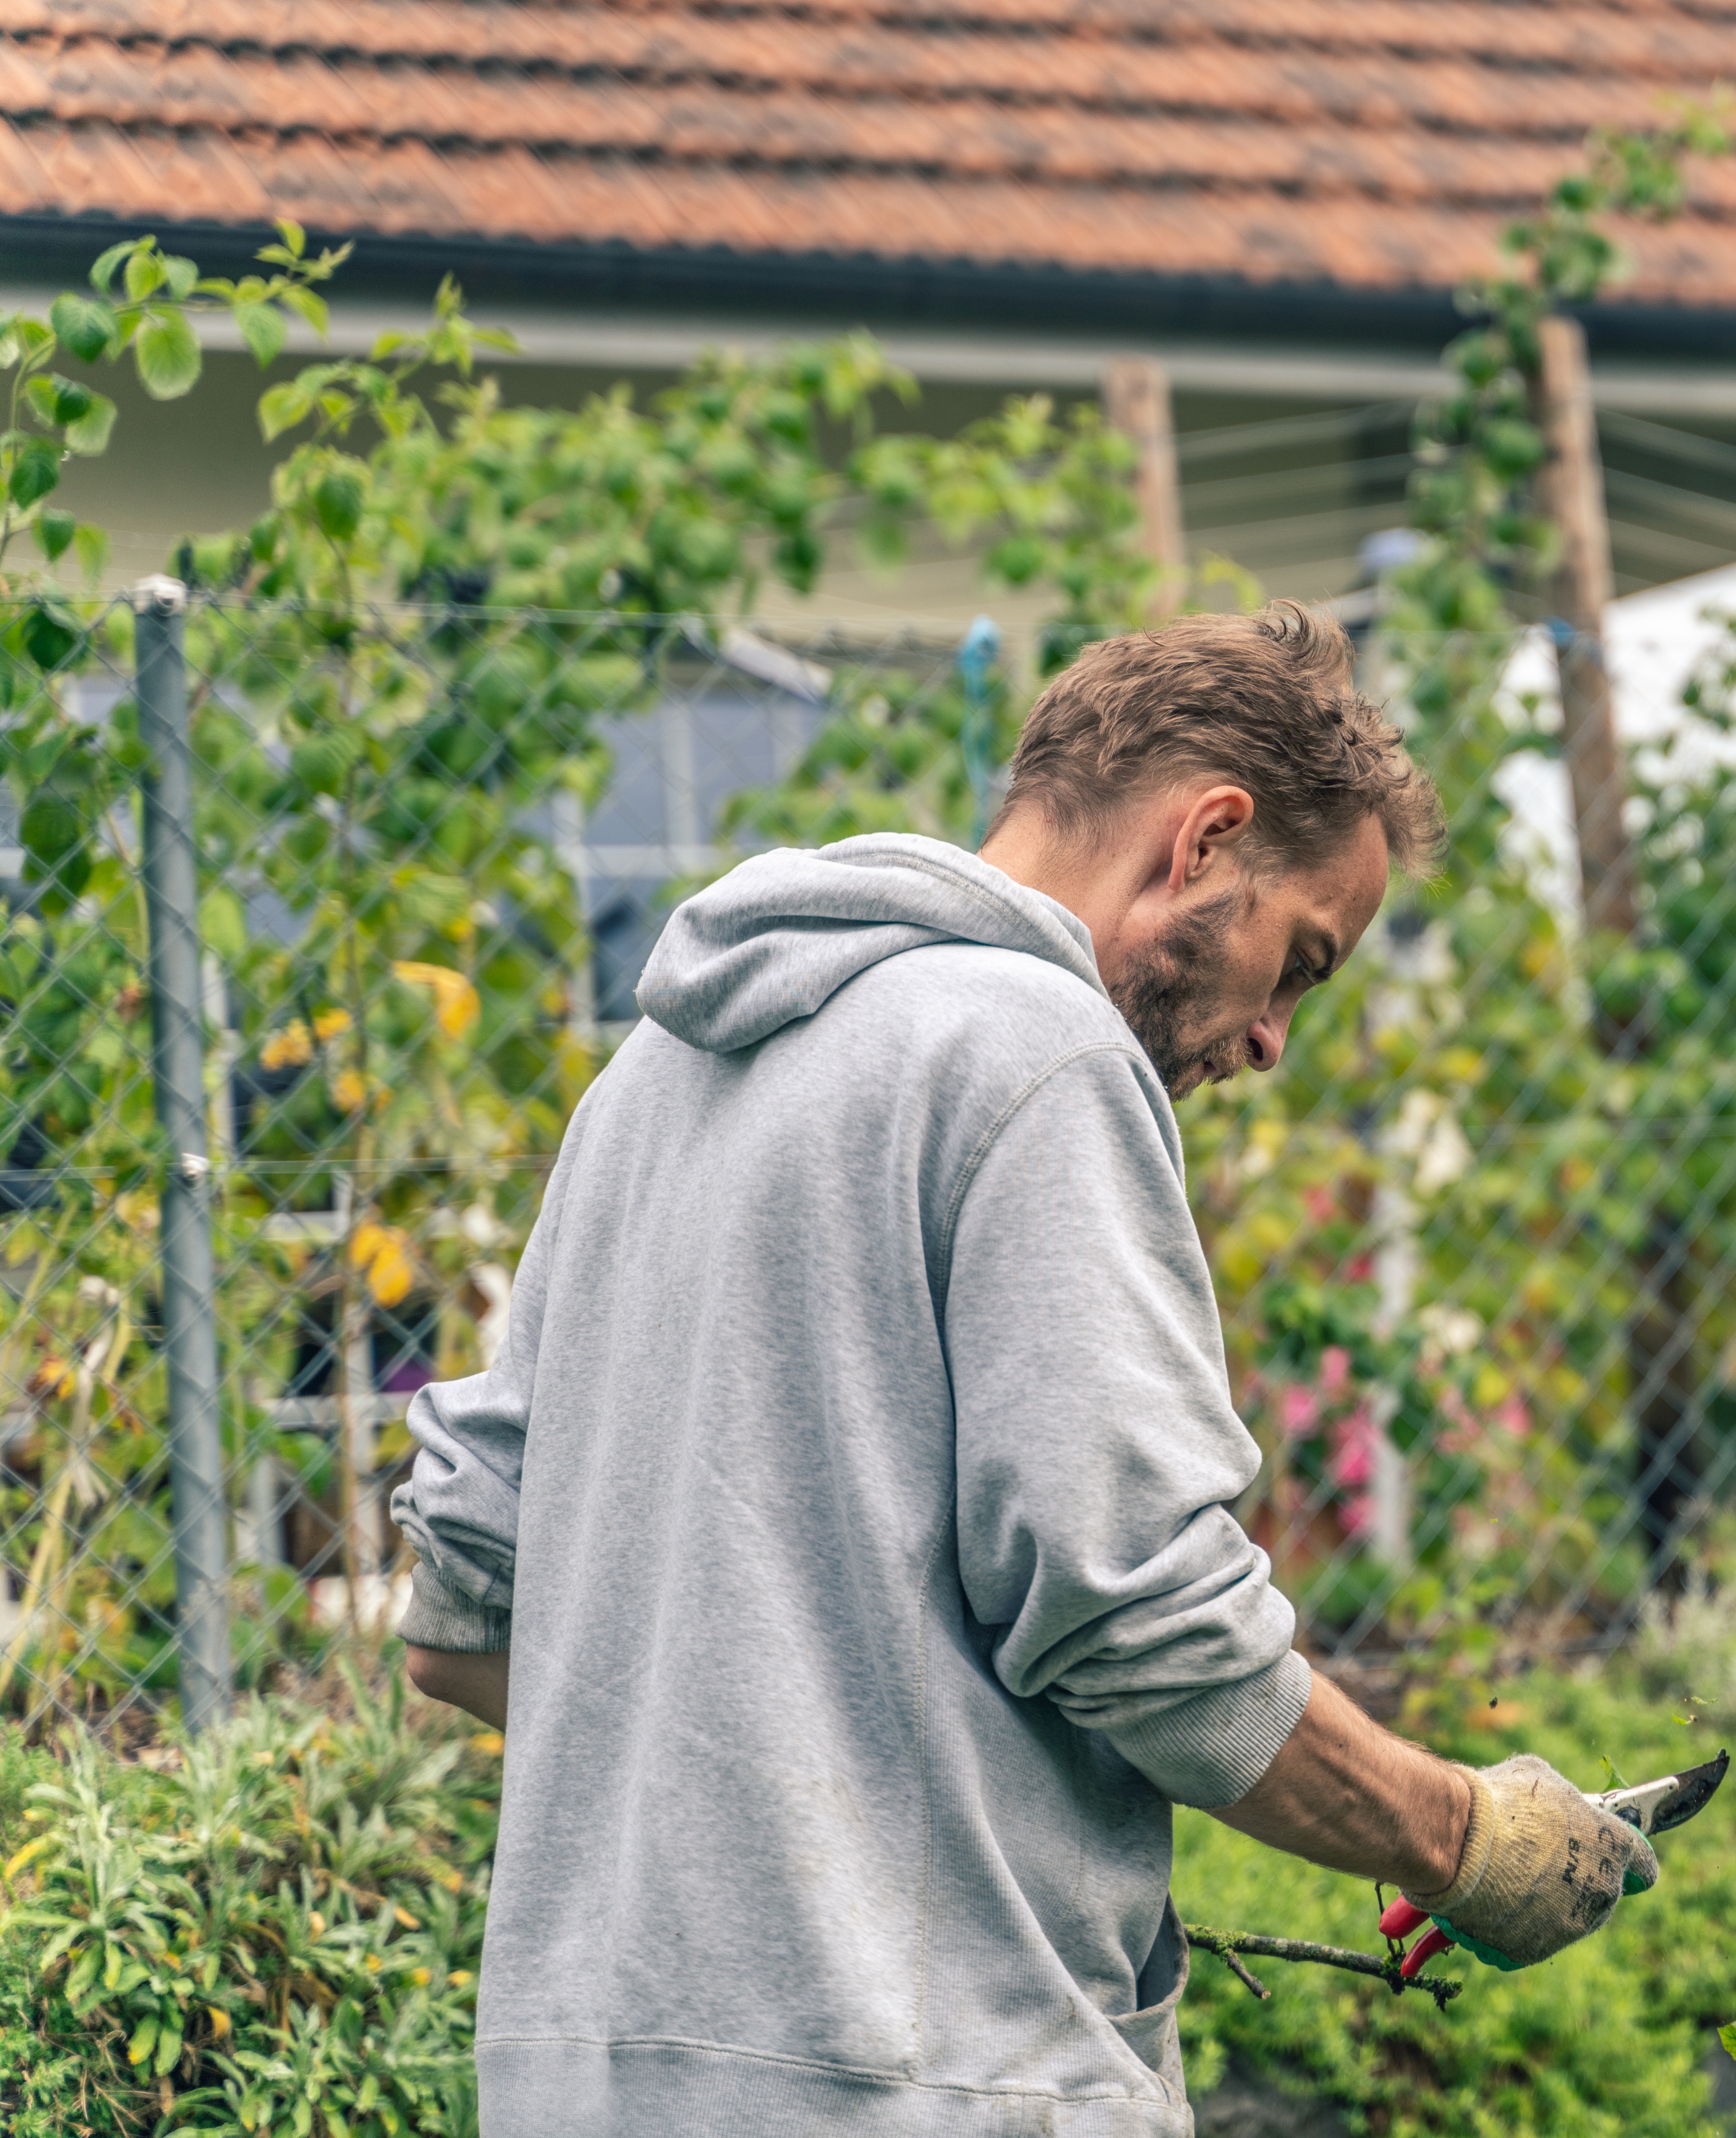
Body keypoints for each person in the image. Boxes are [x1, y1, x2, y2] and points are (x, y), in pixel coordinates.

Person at [393, 602, 1654, 2136]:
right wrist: (1462, 1837)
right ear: (1205, 839)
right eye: (1299, 963)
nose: (1270, 1044)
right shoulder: (1036, 1056)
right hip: (928, 2090)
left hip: (582, 2082)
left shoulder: (646, 1084)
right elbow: (1149, 1627)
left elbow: (464, 1620)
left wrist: (792, 1787)